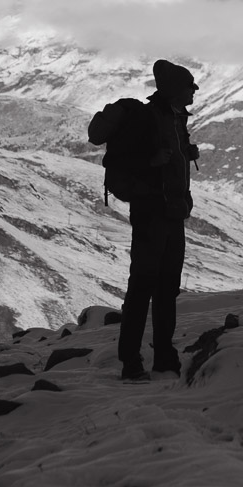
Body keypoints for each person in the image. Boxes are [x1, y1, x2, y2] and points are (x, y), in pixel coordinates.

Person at [87, 59, 201, 381]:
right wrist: (153, 162)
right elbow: (130, 159)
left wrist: (185, 151)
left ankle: (162, 358)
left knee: (163, 287)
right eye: (188, 86)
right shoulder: (152, 118)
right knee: (146, 286)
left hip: (171, 212)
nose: (193, 91)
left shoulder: (175, 118)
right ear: (175, 90)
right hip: (152, 213)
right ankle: (133, 361)